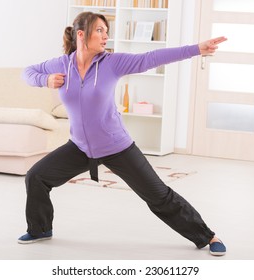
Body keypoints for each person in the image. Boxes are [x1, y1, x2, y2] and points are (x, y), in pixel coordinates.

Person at [18, 11, 227, 256]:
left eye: (107, 31)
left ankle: (208, 236)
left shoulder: (112, 63)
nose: (106, 36)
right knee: (36, 177)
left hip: (117, 146)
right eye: (100, 31)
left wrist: (196, 49)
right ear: (81, 34)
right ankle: (40, 229)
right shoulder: (62, 65)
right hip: (80, 147)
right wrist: (45, 79)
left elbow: (152, 57)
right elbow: (27, 72)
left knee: (159, 196)